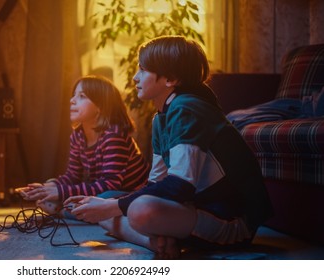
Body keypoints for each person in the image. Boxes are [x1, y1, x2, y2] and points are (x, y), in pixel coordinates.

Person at [64, 35, 273, 259]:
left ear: (170, 79)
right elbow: (156, 183)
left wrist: (113, 207)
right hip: (194, 208)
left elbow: (179, 186)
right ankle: (156, 243)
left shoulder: (187, 109)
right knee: (106, 199)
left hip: (231, 222)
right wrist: (107, 204)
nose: (135, 77)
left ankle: (154, 238)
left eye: (143, 70)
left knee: (137, 209)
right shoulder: (161, 117)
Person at [19, 75, 150, 217]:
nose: (72, 100)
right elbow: (73, 176)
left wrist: (60, 192)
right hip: (103, 190)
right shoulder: (78, 135)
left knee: (105, 196)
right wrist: (48, 188)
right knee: (50, 185)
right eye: (73, 95)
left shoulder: (114, 135)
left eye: (81, 96)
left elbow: (111, 184)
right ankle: (72, 209)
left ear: (100, 106)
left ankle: (69, 211)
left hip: (128, 194)